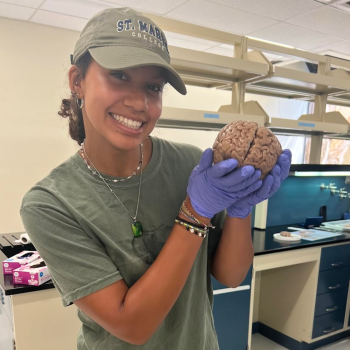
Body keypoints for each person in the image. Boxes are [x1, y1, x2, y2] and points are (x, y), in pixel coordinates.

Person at [20, 7, 292, 350]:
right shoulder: (50, 204)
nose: (139, 102)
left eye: (153, 86)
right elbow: (131, 326)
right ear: (78, 81)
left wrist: (240, 209)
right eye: (118, 75)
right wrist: (195, 212)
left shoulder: (191, 165)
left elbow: (231, 275)